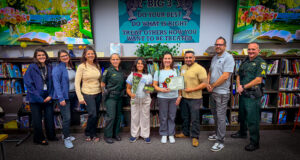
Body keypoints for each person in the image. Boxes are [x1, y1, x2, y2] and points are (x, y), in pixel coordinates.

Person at [231, 42, 266, 151]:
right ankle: (242, 133)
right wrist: (238, 86)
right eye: (249, 49)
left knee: (252, 119)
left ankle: (255, 142)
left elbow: (258, 80)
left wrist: (243, 86)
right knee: (242, 115)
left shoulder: (261, 63)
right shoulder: (245, 61)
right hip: (243, 93)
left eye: (253, 49)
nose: (250, 51)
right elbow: (238, 75)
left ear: (258, 51)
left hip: (253, 95)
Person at [207, 37, 235, 151]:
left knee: (221, 117)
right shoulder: (214, 57)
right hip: (213, 92)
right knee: (215, 115)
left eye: (220, 44)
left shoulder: (228, 58)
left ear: (225, 46)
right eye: (216, 44)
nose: (218, 46)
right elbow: (210, 71)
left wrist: (212, 86)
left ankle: (220, 141)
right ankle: (217, 133)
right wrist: (207, 83)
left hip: (222, 93)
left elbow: (225, 76)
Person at [24, 48, 57, 145]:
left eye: (43, 55)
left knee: (49, 118)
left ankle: (51, 136)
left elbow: (53, 83)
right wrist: (39, 98)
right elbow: (28, 83)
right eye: (39, 55)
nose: (41, 57)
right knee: (37, 120)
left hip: (48, 97)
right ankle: (38, 138)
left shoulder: (50, 66)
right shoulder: (31, 67)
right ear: (35, 57)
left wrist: (51, 95)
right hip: (35, 98)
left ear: (46, 56)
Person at [175, 50, 207, 147]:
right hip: (184, 97)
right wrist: (180, 96)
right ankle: (185, 133)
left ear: (194, 58)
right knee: (185, 117)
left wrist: (192, 89)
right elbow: (180, 82)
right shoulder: (183, 67)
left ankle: (195, 137)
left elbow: (205, 84)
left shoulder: (200, 69)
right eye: (186, 57)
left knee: (195, 119)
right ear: (184, 58)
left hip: (195, 98)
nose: (188, 59)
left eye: (190, 57)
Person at [153, 53, 182, 144]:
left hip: (173, 97)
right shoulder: (158, 72)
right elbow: (154, 85)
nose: (167, 60)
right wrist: (161, 89)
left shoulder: (176, 71)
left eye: (169, 58)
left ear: (172, 60)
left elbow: (180, 85)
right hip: (162, 97)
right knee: (163, 117)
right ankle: (164, 134)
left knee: (172, 116)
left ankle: (171, 134)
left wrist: (179, 96)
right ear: (163, 60)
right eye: (165, 58)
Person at [75, 46, 102, 142]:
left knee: (96, 114)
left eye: (92, 53)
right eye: (88, 53)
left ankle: (90, 131)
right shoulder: (81, 66)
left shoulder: (97, 65)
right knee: (92, 114)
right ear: (85, 55)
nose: (91, 55)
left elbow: (99, 80)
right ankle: (91, 133)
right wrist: (80, 97)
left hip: (98, 93)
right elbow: (77, 83)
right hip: (87, 93)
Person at [52, 49, 77, 148]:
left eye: (66, 55)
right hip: (64, 97)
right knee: (67, 118)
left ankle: (65, 134)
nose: (65, 57)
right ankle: (66, 139)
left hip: (72, 95)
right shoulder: (57, 69)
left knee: (69, 117)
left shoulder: (71, 67)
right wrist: (61, 98)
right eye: (62, 56)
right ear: (59, 58)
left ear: (69, 56)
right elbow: (56, 85)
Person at [126, 57, 152, 143]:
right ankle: (134, 135)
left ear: (144, 65)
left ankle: (145, 135)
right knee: (134, 117)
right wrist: (131, 94)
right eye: (138, 63)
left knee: (145, 117)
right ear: (136, 65)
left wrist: (149, 89)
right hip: (135, 99)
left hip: (145, 99)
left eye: (142, 63)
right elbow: (128, 89)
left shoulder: (148, 75)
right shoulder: (132, 75)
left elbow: (151, 88)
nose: (140, 65)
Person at [101, 53, 126, 144]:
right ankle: (107, 136)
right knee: (111, 117)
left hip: (119, 97)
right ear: (110, 61)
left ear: (120, 60)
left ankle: (115, 134)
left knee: (118, 117)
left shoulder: (121, 71)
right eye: (113, 59)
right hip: (110, 97)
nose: (115, 61)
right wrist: (105, 92)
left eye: (117, 59)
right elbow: (102, 84)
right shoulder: (108, 71)